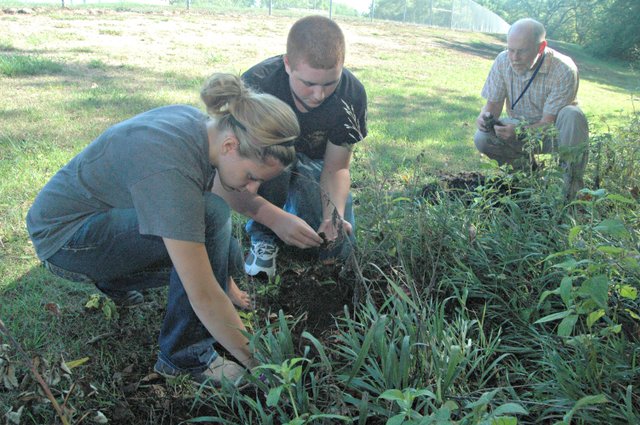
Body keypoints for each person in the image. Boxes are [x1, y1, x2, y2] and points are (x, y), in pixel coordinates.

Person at [26, 73, 299, 386]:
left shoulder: (198, 126)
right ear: (230, 145)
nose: (252, 187)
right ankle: (185, 359)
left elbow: (216, 215)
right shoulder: (169, 169)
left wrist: (226, 280)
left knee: (223, 243)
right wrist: (262, 365)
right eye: (252, 175)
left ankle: (116, 281)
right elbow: (203, 294)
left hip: (98, 217)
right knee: (211, 219)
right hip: (66, 241)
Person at [213, 15, 368, 278]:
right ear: (287, 64)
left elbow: (336, 167)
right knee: (276, 161)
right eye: (308, 83)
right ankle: (264, 238)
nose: (319, 95)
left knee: (340, 245)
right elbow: (227, 171)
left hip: (316, 167)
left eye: (330, 83)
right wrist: (273, 219)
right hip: (267, 163)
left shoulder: (351, 94)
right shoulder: (257, 86)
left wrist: (334, 215)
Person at [474, 18, 589, 199]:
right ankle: (529, 177)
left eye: (521, 52)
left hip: (556, 133)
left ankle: (569, 192)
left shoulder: (564, 69)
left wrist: (519, 131)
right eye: (510, 50)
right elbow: (492, 106)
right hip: (518, 126)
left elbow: (547, 123)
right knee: (482, 138)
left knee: (572, 114)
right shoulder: (503, 61)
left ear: (541, 47)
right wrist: (484, 117)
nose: (514, 58)